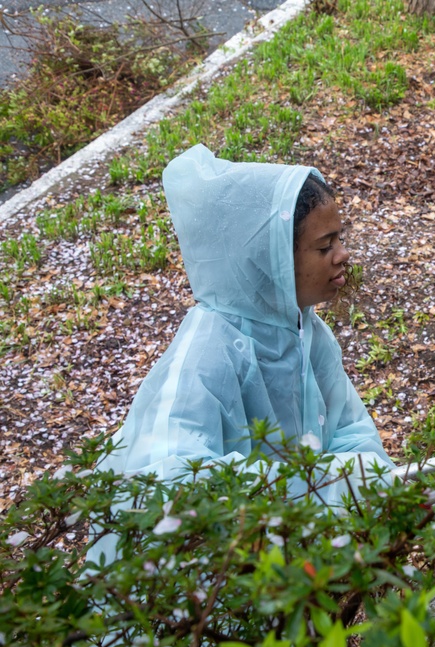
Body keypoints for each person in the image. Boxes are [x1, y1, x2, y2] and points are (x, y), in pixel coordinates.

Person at [95, 144, 393, 504]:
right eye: (324, 246)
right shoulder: (206, 358)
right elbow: (169, 484)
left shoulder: (305, 332)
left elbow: (349, 428)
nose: (343, 256)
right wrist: (318, 488)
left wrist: (358, 483)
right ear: (272, 257)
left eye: (340, 239)